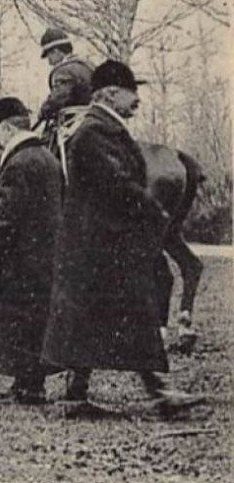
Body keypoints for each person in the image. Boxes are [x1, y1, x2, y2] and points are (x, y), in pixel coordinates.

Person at [41, 61, 202, 413]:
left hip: (101, 246)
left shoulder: (103, 129)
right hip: (101, 247)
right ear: (110, 93)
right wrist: (153, 209)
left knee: (95, 319)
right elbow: (117, 184)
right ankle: (159, 394)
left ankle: (78, 394)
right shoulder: (92, 133)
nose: (138, 100)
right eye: (133, 92)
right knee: (136, 314)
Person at [0, 98, 63, 404]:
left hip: (18, 260)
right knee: (34, 321)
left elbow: (8, 215)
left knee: (18, 320)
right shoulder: (47, 158)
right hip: (43, 258)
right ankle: (28, 382)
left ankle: (29, 387)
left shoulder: (18, 163)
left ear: (7, 128)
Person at [36, 26, 94, 125]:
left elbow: (58, 97)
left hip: (74, 123)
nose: (49, 62)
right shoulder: (88, 66)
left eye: (49, 56)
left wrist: (43, 111)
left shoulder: (64, 70)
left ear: (56, 51)